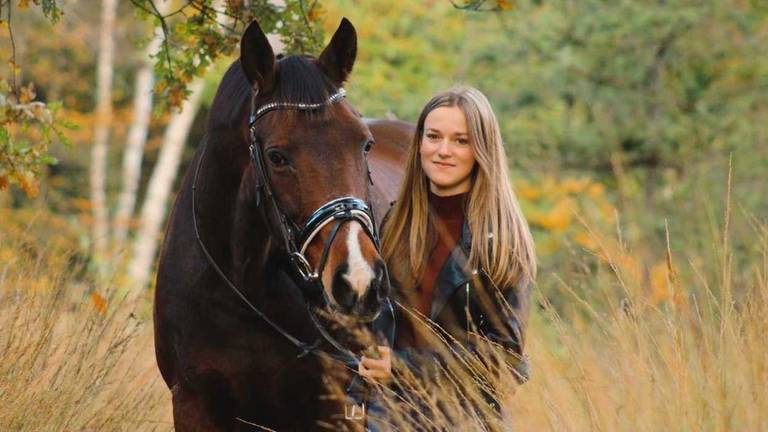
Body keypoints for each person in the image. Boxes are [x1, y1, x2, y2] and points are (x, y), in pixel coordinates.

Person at [356, 85, 537, 428]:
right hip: (385, 417)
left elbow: (503, 361)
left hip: (461, 420)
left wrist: (402, 366)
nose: (443, 151)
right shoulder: (396, 222)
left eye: (460, 141)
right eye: (434, 136)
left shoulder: (501, 240)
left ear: (481, 150)